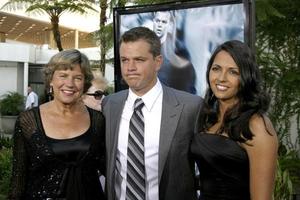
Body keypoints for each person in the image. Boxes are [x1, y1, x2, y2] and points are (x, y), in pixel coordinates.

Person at [102, 26, 202, 200]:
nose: (130, 67)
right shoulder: (110, 104)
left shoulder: (190, 107)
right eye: (124, 60)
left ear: (158, 62)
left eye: (139, 60)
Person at [9, 49, 106, 200]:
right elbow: (18, 180)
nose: (70, 84)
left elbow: (109, 167)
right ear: (51, 80)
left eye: (78, 78)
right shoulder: (28, 121)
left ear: (84, 84)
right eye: (63, 76)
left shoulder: (98, 120)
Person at [191, 40, 278, 200]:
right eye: (216, 69)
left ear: (246, 77)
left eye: (233, 72)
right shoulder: (207, 116)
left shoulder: (257, 126)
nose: (221, 78)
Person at [153, 11, 196, 94]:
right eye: (157, 21)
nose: (159, 25)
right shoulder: (144, 47)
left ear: (170, 25)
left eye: (164, 22)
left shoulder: (178, 50)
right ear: (153, 21)